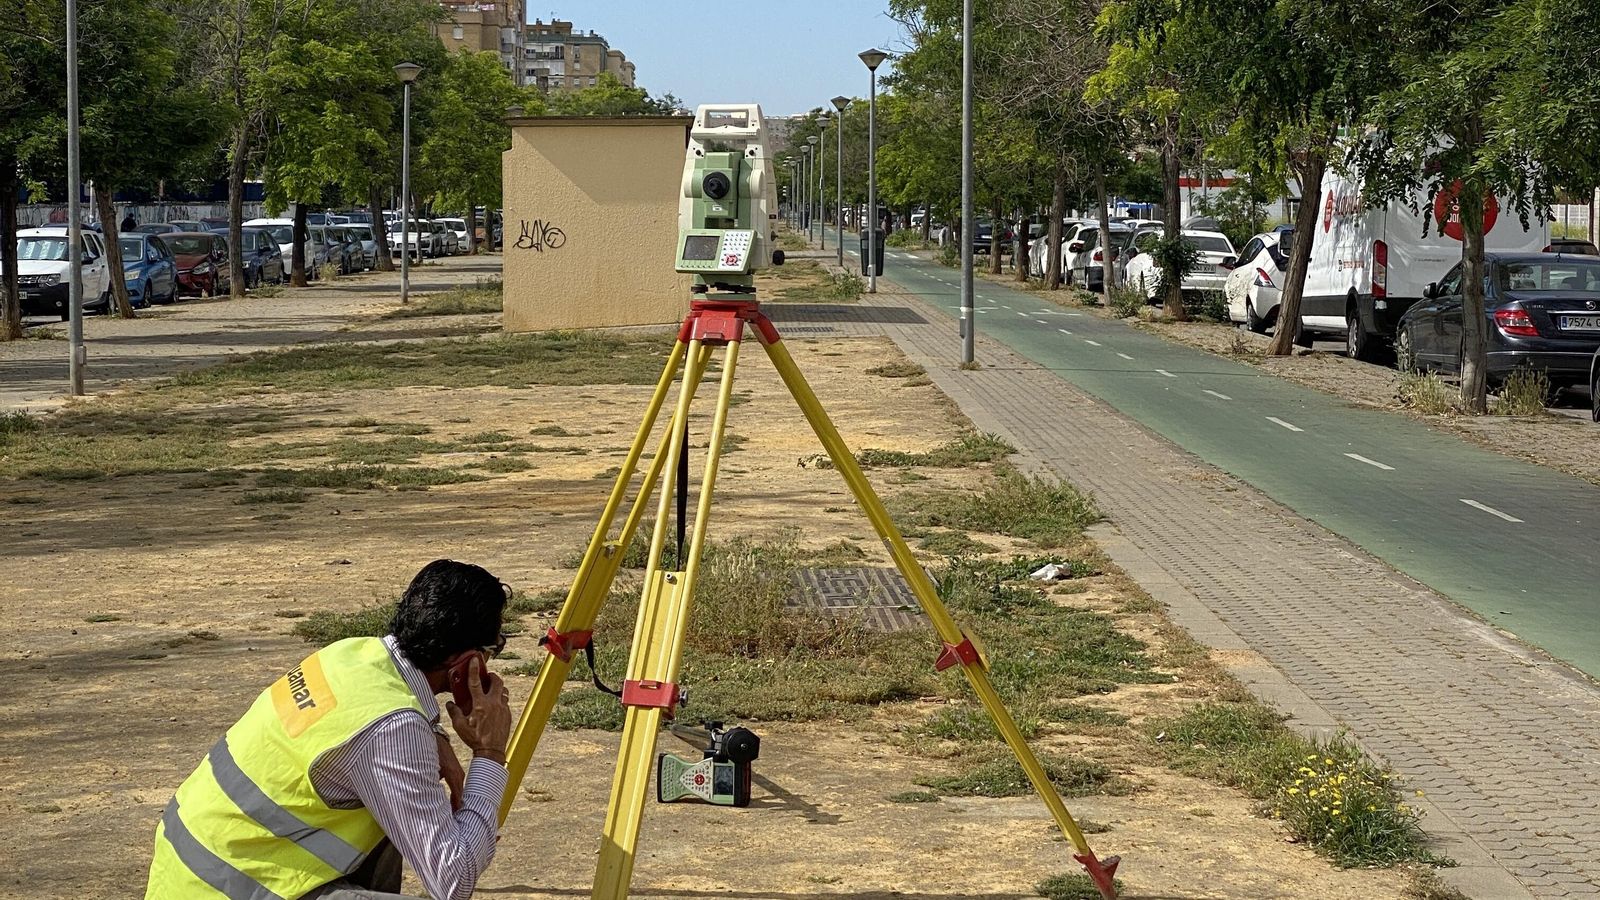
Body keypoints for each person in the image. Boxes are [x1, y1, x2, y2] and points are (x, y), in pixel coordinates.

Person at [145, 560, 515, 900]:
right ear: (465, 665)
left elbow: (368, 725)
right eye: (492, 649)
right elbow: (454, 880)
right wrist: (489, 752)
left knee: (395, 807)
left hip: (192, 872)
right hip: (233, 888)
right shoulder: (393, 729)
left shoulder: (352, 655)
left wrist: (435, 739)